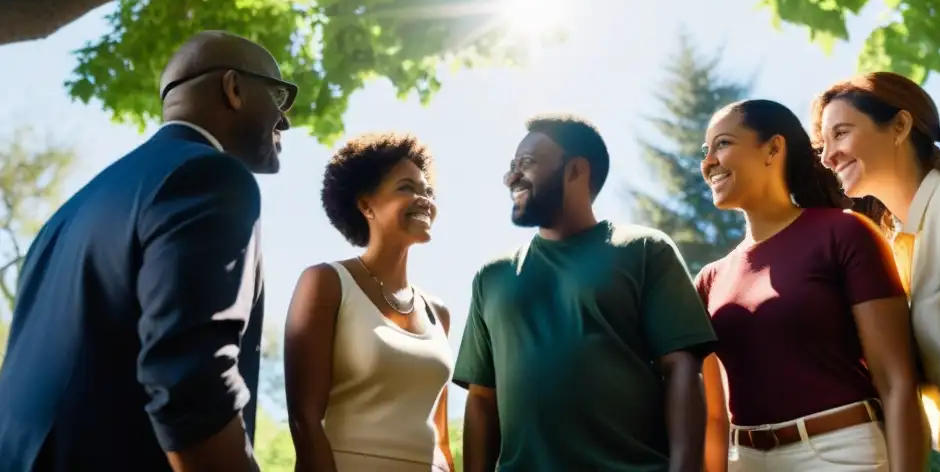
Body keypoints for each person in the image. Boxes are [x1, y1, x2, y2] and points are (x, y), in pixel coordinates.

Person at [0, 30, 296, 471]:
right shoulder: (211, 178)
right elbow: (192, 389)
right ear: (233, 89)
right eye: (278, 95)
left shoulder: (63, 218)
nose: (285, 120)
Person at [455, 114, 716, 472]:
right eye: (512, 165)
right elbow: (482, 399)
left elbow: (682, 369)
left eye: (527, 163)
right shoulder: (492, 277)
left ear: (576, 169)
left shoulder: (644, 250)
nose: (511, 176)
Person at [696, 99, 923, 472]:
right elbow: (714, 416)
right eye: (705, 151)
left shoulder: (844, 233)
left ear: (773, 149)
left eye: (722, 144)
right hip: (746, 461)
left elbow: (897, 383)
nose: (708, 163)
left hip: (839, 455)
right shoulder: (709, 280)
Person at [814, 72, 940, 471]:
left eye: (840, 133)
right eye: (822, 144)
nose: (828, 156)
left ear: (899, 126)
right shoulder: (901, 250)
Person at [284, 132, 454, 472]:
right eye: (406, 187)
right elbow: (305, 420)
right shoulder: (327, 283)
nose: (424, 199)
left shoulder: (439, 313)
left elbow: (440, 436)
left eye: (428, 191)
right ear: (366, 205)